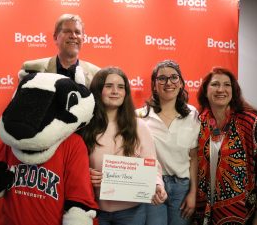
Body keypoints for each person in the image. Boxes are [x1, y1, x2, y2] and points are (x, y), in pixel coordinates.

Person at [80, 66, 167, 225]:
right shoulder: (84, 127)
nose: (115, 91)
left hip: (131, 212)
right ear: (98, 90)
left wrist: (157, 185)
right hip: (93, 210)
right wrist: (85, 175)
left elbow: (152, 165)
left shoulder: (139, 126)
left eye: (121, 87)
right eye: (108, 86)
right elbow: (73, 167)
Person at [136, 60, 200, 225]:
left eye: (174, 77)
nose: (168, 83)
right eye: (162, 78)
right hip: (152, 186)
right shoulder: (140, 116)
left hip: (182, 189)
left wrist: (193, 193)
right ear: (154, 85)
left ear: (181, 83)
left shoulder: (192, 114)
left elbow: (194, 157)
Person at [194, 67, 257, 225]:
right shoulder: (198, 122)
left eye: (226, 85)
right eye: (215, 84)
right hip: (204, 208)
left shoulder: (250, 122)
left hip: (242, 209)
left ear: (233, 90)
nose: (221, 89)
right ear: (205, 90)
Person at [18, 13, 100, 88]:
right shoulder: (31, 69)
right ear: (55, 37)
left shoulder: (96, 74)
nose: (73, 36)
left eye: (77, 32)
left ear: (83, 39)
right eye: (67, 31)